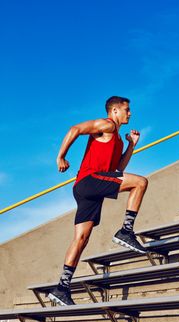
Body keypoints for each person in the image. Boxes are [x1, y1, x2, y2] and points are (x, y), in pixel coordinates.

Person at [48, 96, 148, 306]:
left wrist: (131, 145)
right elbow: (75, 128)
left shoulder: (118, 138)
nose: (130, 113)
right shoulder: (107, 125)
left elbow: (117, 171)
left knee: (81, 239)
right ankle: (126, 231)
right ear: (114, 111)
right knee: (140, 182)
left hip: (87, 188)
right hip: (89, 180)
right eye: (126, 110)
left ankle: (62, 288)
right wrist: (61, 156)